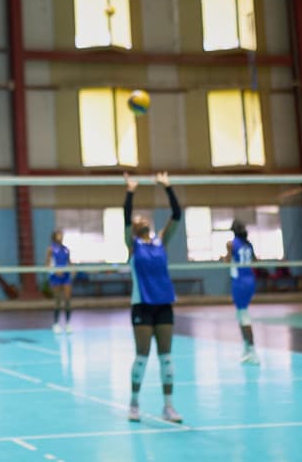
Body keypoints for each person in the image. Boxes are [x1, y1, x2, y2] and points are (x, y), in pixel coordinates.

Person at [124, 172, 183, 424]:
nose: (141, 219)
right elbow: (126, 216)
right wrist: (130, 191)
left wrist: (167, 187)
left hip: (164, 304)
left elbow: (177, 215)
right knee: (142, 356)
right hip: (142, 305)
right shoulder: (132, 246)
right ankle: (134, 403)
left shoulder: (161, 242)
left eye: (143, 218)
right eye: (137, 219)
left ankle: (168, 407)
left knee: (166, 357)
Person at [224, 219, 259, 365]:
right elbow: (255, 261)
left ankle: (252, 351)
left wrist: (226, 258)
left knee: (244, 315)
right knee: (240, 314)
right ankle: (246, 349)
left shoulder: (231, 244)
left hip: (239, 282)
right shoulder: (248, 244)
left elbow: (227, 262)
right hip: (250, 280)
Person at [45, 230, 73, 334]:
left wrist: (72, 269)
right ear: (54, 237)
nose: (60, 236)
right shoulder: (51, 249)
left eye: (61, 235)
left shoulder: (66, 249)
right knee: (57, 300)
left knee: (67, 300)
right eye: (58, 234)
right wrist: (55, 271)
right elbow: (47, 264)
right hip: (55, 277)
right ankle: (56, 324)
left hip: (66, 276)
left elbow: (69, 262)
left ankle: (68, 324)